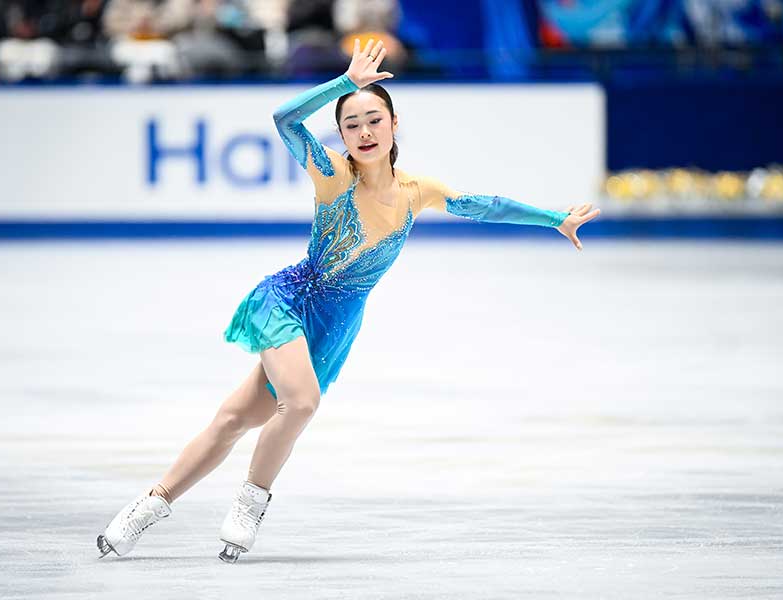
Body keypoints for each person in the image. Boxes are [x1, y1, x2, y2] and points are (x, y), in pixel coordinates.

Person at [96, 37, 600, 563]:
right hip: (288, 301)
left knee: (233, 420)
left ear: (394, 124)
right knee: (301, 403)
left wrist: (554, 219)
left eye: (374, 120)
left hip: (334, 325)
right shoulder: (333, 174)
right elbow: (284, 120)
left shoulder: (417, 191)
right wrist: (344, 83)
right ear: (341, 135)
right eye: (352, 124)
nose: (364, 132)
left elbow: (484, 205)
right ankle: (250, 504)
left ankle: (148, 505)